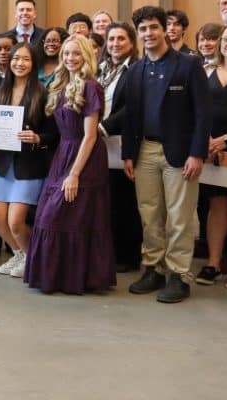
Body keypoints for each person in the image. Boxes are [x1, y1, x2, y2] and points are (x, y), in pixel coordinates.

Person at [119, 6, 210, 303]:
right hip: (143, 151)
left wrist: (197, 153)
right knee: (149, 215)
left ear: (166, 29)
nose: (149, 33)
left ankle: (179, 274)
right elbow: (130, 116)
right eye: (143, 29)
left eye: (154, 27)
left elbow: (202, 113)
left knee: (180, 217)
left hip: (180, 153)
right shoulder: (134, 71)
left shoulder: (188, 65)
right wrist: (128, 155)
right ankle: (154, 268)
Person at [24, 34, 115, 294]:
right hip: (63, 153)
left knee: (70, 215)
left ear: (86, 56)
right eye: (66, 53)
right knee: (48, 215)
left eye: (76, 54)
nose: (70, 58)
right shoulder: (61, 84)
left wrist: (74, 174)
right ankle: (57, 277)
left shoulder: (91, 86)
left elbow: (90, 135)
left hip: (84, 158)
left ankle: (79, 279)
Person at [0, 43, 55, 278]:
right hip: (3, 163)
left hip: (29, 165)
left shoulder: (42, 94)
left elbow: (53, 135)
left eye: (25, 59)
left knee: (15, 221)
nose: (19, 63)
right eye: (15, 58)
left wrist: (36, 137)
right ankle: (19, 254)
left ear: (33, 64)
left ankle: (33, 256)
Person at [195, 23, 227, 289]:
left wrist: (226, 139)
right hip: (208, 151)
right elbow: (193, 109)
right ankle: (213, 263)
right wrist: (204, 141)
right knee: (215, 206)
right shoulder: (206, 71)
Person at [97, 22, 143, 273]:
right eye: (111, 39)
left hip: (122, 142)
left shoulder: (136, 70)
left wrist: (103, 127)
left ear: (131, 43)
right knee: (106, 201)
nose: (115, 43)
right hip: (98, 143)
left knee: (125, 202)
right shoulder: (101, 68)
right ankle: (109, 251)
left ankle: (128, 255)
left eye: (121, 39)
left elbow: (133, 107)